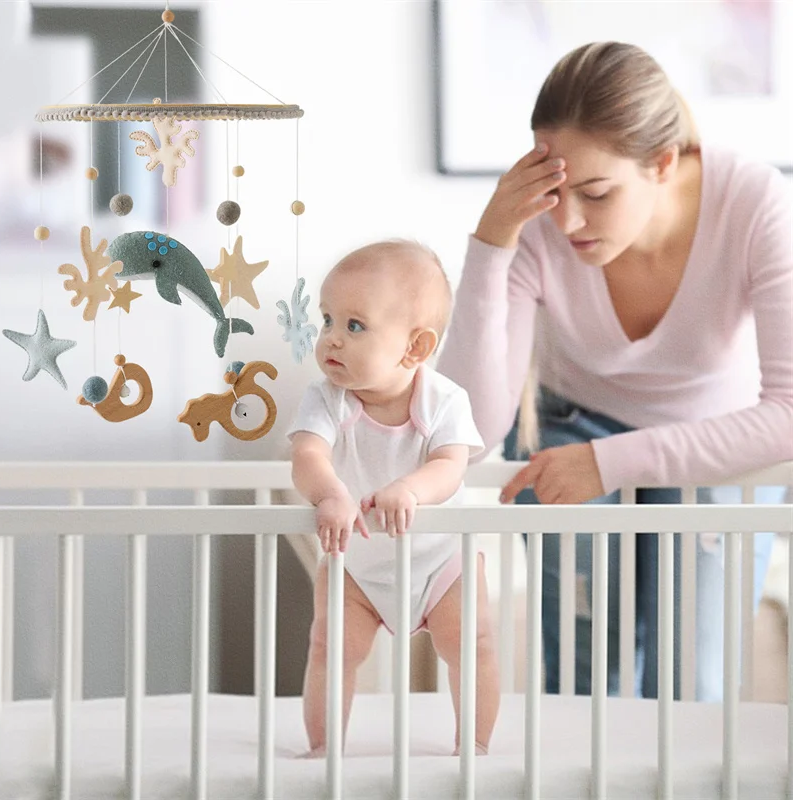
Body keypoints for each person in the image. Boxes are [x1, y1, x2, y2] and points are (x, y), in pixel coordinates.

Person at [437, 41, 792, 701]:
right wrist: (492, 244)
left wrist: (614, 462)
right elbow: (472, 432)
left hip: (716, 443)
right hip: (573, 426)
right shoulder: (537, 226)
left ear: (662, 164)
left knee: (691, 688)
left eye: (596, 194)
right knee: (581, 684)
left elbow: (789, 414)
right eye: (556, 190)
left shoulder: (754, 202)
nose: (568, 219)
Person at [287, 240, 500, 755]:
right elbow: (307, 457)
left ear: (416, 348)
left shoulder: (444, 400)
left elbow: (450, 467)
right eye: (327, 319)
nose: (331, 339)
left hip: (439, 562)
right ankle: (322, 749)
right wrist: (332, 494)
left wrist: (410, 489)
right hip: (357, 563)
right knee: (328, 649)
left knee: (472, 647)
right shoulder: (326, 398)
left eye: (354, 326)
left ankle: (473, 744)